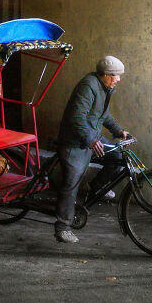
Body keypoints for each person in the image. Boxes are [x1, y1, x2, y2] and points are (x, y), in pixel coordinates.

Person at [54, 55, 132, 243]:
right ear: (106, 74)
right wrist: (90, 139)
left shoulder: (105, 87)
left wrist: (118, 130)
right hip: (75, 143)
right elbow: (76, 118)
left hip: (91, 138)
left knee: (117, 157)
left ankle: (95, 188)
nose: (119, 79)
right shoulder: (88, 87)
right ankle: (62, 227)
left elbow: (103, 115)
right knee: (72, 181)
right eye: (116, 75)